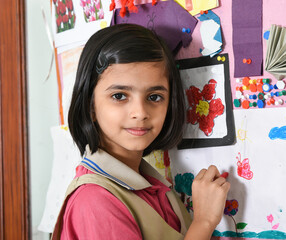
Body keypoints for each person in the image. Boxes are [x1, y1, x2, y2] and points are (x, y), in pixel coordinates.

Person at [52, 24, 230, 240]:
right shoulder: (96, 200)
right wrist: (204, 222)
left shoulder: (151, 185)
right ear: (90, 106)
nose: (140, 112)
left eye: (154, 97)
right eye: (119, 96)